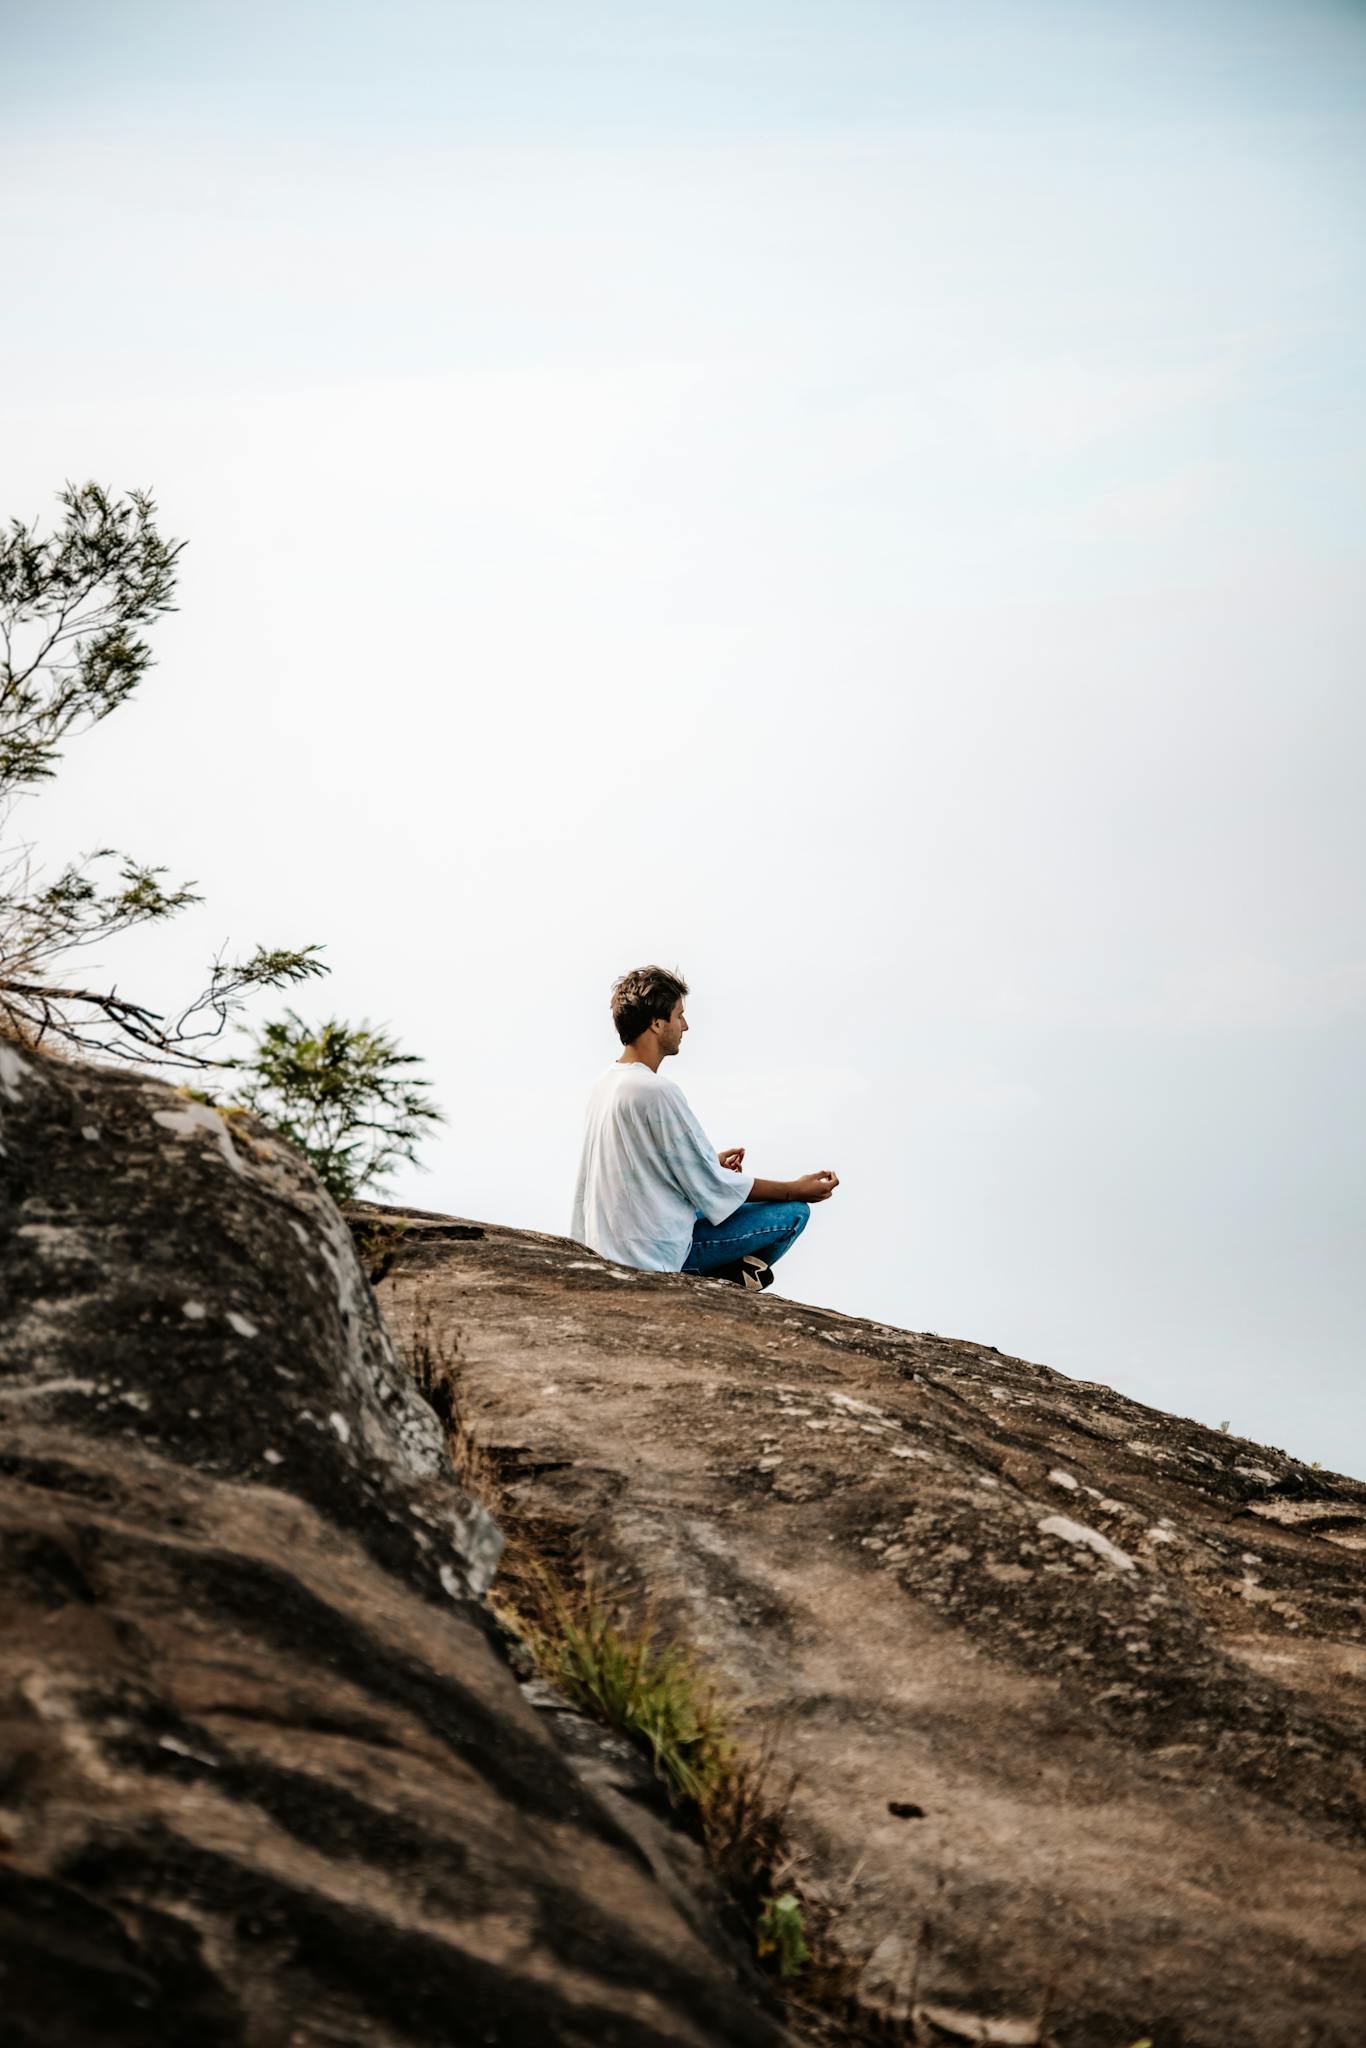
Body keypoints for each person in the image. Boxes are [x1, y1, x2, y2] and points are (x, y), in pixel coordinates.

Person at [570, 964, 839, 1289]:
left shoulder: (605, 1085)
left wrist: (707, 1160)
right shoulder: (656, 1091)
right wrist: (796, 1188)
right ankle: (724, 1281)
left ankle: (736, 1273)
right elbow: (715, 1186)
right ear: (656, 1024)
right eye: (678, 1015)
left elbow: (642, 1170)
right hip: (652, 1256)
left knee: (734, 1204)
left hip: (607, 1245)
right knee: (794, 1212)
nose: (685, 1025)